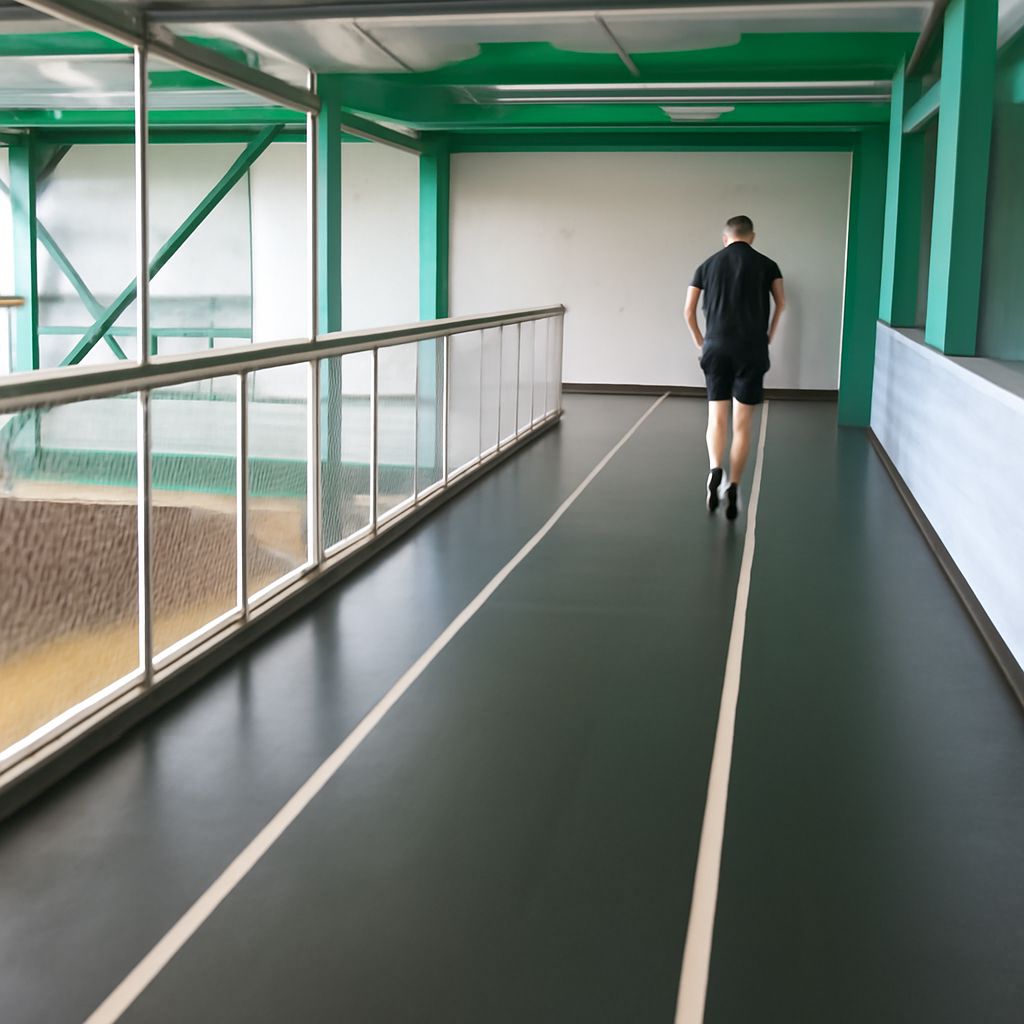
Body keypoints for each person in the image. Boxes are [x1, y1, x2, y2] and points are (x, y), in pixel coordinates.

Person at [684, 215, 785, 520]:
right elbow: (781, 303)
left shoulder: (706, 266)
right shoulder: (768, 265)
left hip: (715, 347)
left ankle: (716, 470)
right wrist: (769, 335)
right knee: (742, 425)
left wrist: (701, 341)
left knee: (717, 418)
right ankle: (734, 486)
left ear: (725, 238)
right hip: (752, 348)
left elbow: (688, 311)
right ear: (752, 237)